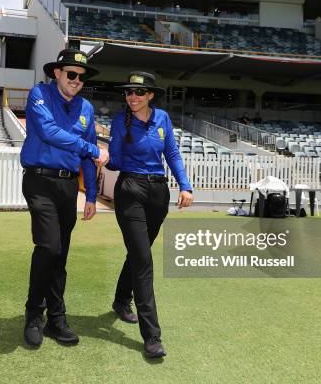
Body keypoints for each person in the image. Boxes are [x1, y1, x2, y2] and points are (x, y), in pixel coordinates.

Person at [20, 48, 110, 347]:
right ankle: (34, 314)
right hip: (39, 181)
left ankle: (56, 319)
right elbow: (48, 132)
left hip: (68, 187)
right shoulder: (39, 95)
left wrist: (91, 196)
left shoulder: (85, 108)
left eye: (81, 77)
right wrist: (93, 150)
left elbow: (86, 152)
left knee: (59, 256)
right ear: (57, 73)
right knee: (48, 246)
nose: (76, 80)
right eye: (71, 74)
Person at [106, 71, 193, 358]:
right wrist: (106, 157)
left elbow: (172, 154)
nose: (133, 97)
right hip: (130, 189)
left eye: (139, 92)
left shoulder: (163, 119)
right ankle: (152, 336)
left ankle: (120, 301)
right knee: (143, 260)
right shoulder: (120, 121)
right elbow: (116, 161)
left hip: (158, 193)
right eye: (129, 92)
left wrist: (185, 185)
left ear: (151, 95)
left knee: (137, 253)